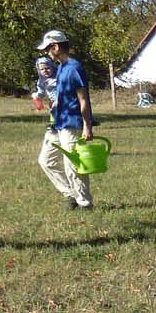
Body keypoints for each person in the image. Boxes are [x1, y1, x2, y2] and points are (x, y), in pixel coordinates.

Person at [35, 29, 94, 210]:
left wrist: (87, 126)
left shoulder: (74, 68)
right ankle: (71, 194)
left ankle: (85, 204)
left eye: (48, 48)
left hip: (72, 122)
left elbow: (83, 99)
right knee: (46, 161)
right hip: (57, 122)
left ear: (57, 46)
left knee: (72, 165)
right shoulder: (60, 68)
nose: (46, 52)